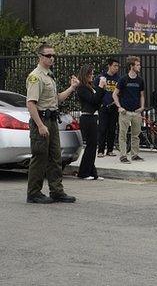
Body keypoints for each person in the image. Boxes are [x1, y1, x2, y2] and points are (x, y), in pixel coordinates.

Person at [25, 44, 79, 204]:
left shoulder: (49, 76)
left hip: (52, 119)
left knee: (55, 157)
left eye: (53, 55)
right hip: (41, 120)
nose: (52, 58)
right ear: (40, 57)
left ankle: (56, 191)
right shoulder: (36, 76)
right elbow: (31, 103)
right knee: (40, 157)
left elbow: (56, 99)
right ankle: (34, 193)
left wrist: (72, 87)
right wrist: (40, 125)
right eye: (48, 55)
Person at [113, 56, 145, 164]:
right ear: (131, 66)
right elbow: (115, 94)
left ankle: (134, 154)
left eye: (139, 64)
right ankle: (123, 156)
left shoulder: (140, 80)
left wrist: (142, 107)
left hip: (136, 112)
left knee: (136, 135)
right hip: (125, 112)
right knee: (123, 135)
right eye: (137, 65)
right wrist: (119, 107)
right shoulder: (123, 79)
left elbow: (141, 95)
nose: (139, 66)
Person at [76, 65, 106, 180]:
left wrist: (101, 89)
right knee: (91, 145)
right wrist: (100, 87)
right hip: (87, 118)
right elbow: (93, 100)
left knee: (93, 145)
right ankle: (83, 172)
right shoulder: (82, 88)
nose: (92, 76)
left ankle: (92, 172)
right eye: (90, 74)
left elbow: (97, 101)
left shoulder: (90, 86)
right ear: (85, 74)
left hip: (93, 116)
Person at [97, 58, 120, 157]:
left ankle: (110, 150)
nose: (116, 68)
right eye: (115, 66)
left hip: (114, 106)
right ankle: (100, 150)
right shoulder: (101, 77)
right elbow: (97, 91)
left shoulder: (118, 79)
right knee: (102, 129)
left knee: (112, 129)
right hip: (104, 106)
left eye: (118, 66)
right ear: (109, 66)